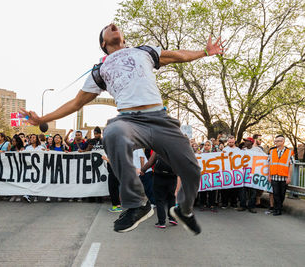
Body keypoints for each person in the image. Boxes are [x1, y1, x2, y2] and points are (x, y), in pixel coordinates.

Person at [20, 23, 224, 234]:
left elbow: (176, 56)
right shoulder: (100, 71)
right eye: (108, 28)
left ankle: (184, 209)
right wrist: (42, 118)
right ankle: (138, 203)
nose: (114, 25)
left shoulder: (144, 51)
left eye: (116, 26)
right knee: (112, 132)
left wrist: (205, 52)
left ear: (124, 38)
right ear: (103, 42)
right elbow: (75, 103)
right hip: (130, 121)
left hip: (160, 119)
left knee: (192, 170)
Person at [142, 152, 178, 229]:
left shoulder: (158, 147)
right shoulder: (177, 146)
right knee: (171, 197)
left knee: (159, 199)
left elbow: (150, 162)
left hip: (159, 177)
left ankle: (161, 222)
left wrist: (143, 170)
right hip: (172, 177)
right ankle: (172, 218)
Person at [268, 135, 294, 216]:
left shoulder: (289, 152)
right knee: (275, 193)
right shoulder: (272, 152)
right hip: (274, 177)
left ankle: (279, 207)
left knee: (282, 194)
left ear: (283, 142)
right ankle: (277, 209)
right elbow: (269, 164)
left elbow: (291, 165)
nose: (276, 142)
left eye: (278, 141)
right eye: (275, 141)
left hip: (284, 177)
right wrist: (269, 176)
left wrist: (289, 177)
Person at [237, 137, 257, 213]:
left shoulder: (257, 150)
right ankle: (242, 205)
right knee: (242, 190)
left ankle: (251, 206)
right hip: (244, 173)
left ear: (251, 142)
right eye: (244, 141)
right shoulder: (242, 151)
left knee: (253, 191)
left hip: (253, 173)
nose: (245, 142)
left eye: (247, 141)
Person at [221, 136, 239, 209]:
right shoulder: (225, 149)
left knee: (234, 189)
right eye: (230, 142)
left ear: (234, 141)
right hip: (226, 171)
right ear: (228, 142)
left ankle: (233, 203)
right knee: (225, 188)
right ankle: (224, 203)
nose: (231, 143)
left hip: (235, 171)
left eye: (232, 142)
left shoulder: (238, 150)